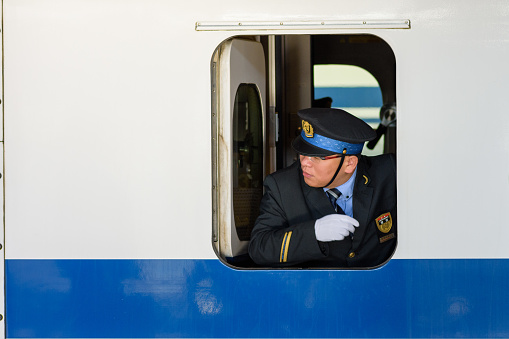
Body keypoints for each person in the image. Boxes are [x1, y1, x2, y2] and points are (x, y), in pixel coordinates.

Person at [248, 108, 396, 268]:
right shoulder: (282, 186)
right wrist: (313, 233)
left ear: (350, 163)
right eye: (303, 152)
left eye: (317, 157)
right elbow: (259, 248)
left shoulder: (390, 172)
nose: (304, 162)